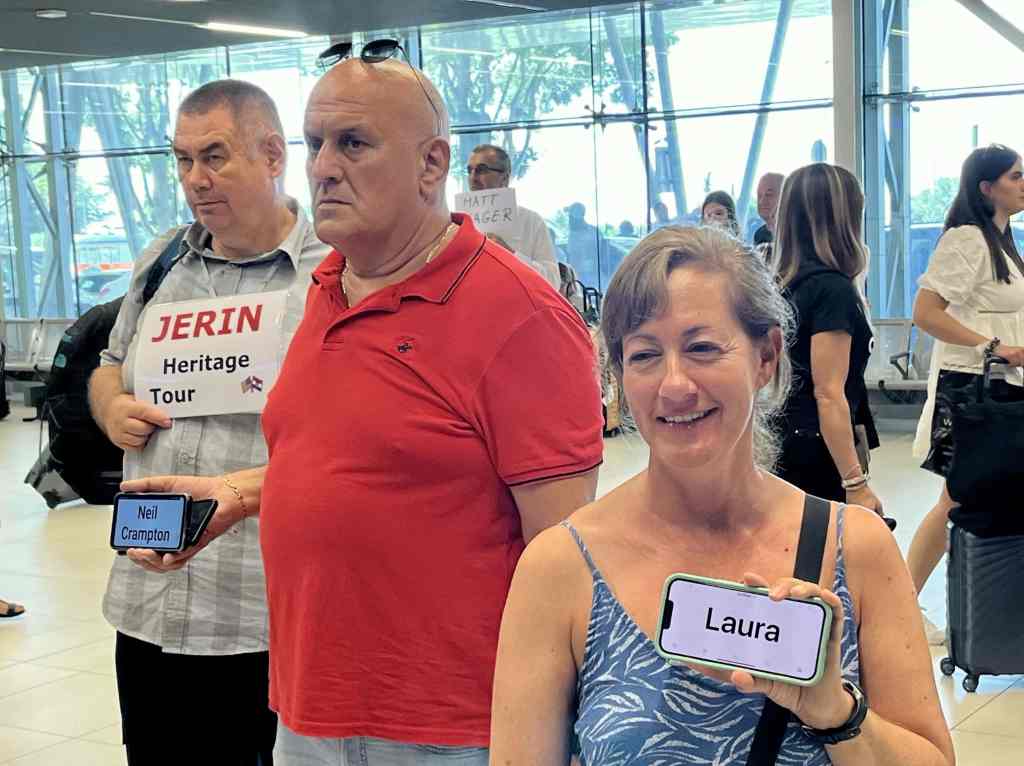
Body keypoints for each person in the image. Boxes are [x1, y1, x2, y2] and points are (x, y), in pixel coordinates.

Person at [118, 53, 602, 765]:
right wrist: (238, 493)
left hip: (449, 730)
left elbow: (565, 559)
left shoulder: (520, 314)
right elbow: (362, 463)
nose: (322, 168)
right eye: (315, 143)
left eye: (353, 143)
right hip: (309, 710)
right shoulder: (328, 287)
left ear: (432, 164)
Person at [490, 226, 954, 765]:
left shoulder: (856, 549)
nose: (674, 385)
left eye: (702, 348)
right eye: (644, 356)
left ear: (766, 356)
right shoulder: (560, 567)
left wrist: (836, 712)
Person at [88, 79, 329, 766]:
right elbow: (109, 364)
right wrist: (111, 406)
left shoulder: (329, 275)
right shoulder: (163, 260)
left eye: (216, 157)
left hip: (261, 611)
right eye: (183, 159)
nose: (196, 179)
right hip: (147, 595)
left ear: (272, 155)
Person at [907, 143, 1024, 644]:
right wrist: (993, 346)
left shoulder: (1003, 242)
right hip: (976, 386)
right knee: (954, 499)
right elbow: (926, 312)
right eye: (1016, 176)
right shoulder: (968, 240)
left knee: (969, 499)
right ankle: (901, 603)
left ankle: (987, 611)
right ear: (987, 187)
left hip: (1002, 385)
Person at [773, 163, 883, 514]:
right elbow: (828, 393)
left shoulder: (782, 286)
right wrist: (855, 483)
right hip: (816, 451)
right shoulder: (832, 291)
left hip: (782, 441)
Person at [465, 143, 560, 289]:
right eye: (469, 170)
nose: (473, 177)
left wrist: (510, 254)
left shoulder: (531, 221)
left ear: (504, 177)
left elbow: (552, 282)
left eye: (481, 170)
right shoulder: (456, 224)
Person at [565, 201, 623, 288]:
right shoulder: (572, 234)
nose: (569, 219)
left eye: (570, 216)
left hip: (594, 276)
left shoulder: (593, 232)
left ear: (576, 217)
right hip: (577, 276)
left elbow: (603, 252)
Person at [753, 171, 785, 257]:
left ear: (785, 196)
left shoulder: (794, 234)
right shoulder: (759, 234)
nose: (761, 201)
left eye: (768, 195)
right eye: (759, 195)